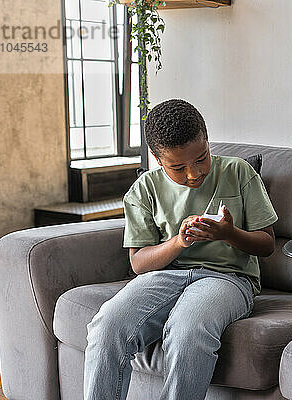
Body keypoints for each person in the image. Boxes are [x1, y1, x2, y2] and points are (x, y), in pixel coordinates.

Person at [83, 99, 278, 400]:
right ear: (157, 159)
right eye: (178, 167)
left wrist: (228, 234)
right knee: (107, 326)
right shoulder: (144, 190)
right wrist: (178, 241)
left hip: (229, 278)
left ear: (207, 141)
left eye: (201, 158)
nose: (193, 174)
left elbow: (267, 244)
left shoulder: (238, 172)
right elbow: (139, 263)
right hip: (166, 275)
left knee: (188, 330)